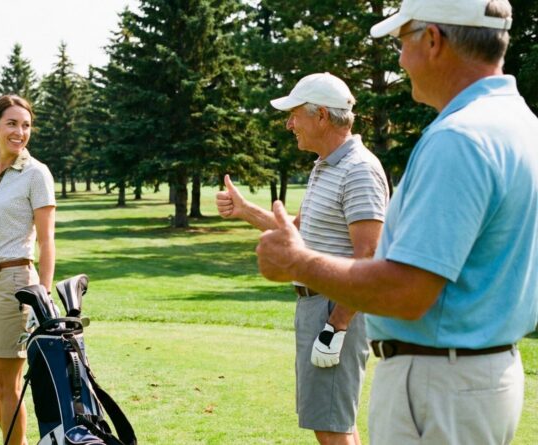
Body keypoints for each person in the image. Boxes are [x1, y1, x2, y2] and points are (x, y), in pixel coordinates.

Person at [255, 1, 538, 444]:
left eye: (403, 41)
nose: (401, 60)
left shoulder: (458, 139)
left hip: (438, 386)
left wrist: (297, 263)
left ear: (432, 40)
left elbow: (406, 291)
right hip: (477, 376)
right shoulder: (519, 123)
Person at [217, 72, 389, 445]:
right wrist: (244, 210)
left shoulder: (358, 169)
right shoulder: (325, 165)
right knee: (336, 421)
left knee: (330, 427)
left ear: (322, 116)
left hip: (336, 310)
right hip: (320, 306)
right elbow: (300, 231)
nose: (289, 124)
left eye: (295, 114)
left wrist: (336, 326)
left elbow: (369, 255)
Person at [0, 94, 56, 445]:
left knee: (7, 383)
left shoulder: (37, 174)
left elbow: (47, 241)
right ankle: (12, 434)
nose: (20, 132)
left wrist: (43, 297)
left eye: (26, 125)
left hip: (16, 282)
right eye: (12, 124)